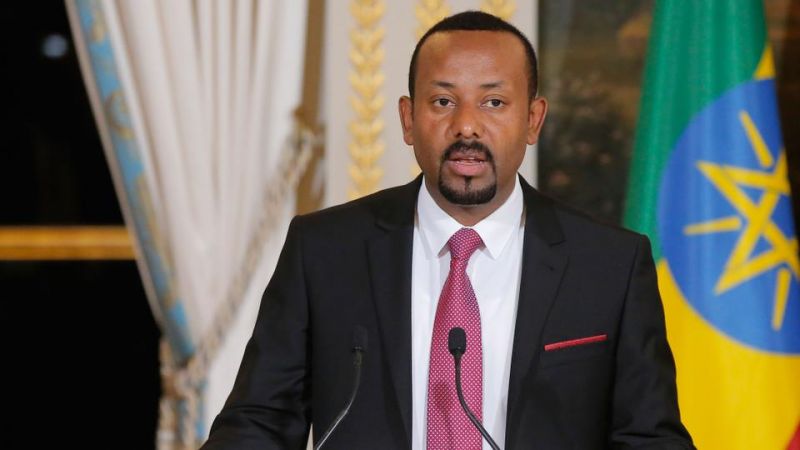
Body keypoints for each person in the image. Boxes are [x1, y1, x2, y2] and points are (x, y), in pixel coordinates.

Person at [201, 11, 694, 450]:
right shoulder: (326, 251)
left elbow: (649, 436)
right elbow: (258, 424)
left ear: (533, 120)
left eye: (494, 102)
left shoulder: (609, 265)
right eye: (442, 101)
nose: (467, 127)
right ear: (408, 119)